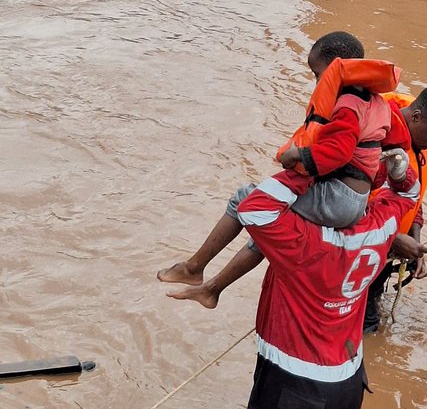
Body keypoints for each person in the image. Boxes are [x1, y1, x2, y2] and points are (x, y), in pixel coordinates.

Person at [158, 31, 403, 307]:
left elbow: (339, 151)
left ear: (336, 66)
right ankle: (212, 288)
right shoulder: (378, 102)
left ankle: (194, 268)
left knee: (246, 198)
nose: (317, 82)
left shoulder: (348, 103)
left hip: (336, 199)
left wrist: (298, 154)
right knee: (268, 228)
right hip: (351, 201)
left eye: (317, 74)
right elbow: (387, 149)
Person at [236, 151, 425, 409]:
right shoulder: (381, 228)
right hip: (348, 388)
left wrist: (308, 167)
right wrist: (399, 169)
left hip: (294, 391)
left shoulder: (304, 243)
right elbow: (408, 193)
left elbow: (252, 207)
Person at [363, 84, 427, 333]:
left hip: (387, 253)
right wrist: (396, 239)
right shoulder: (375, 142)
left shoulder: (423, 146)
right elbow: (347, 209)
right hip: (358, 255)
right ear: (416, 117)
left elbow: (413, 201)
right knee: (366, 327)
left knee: (373, 315)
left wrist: (416, 245)